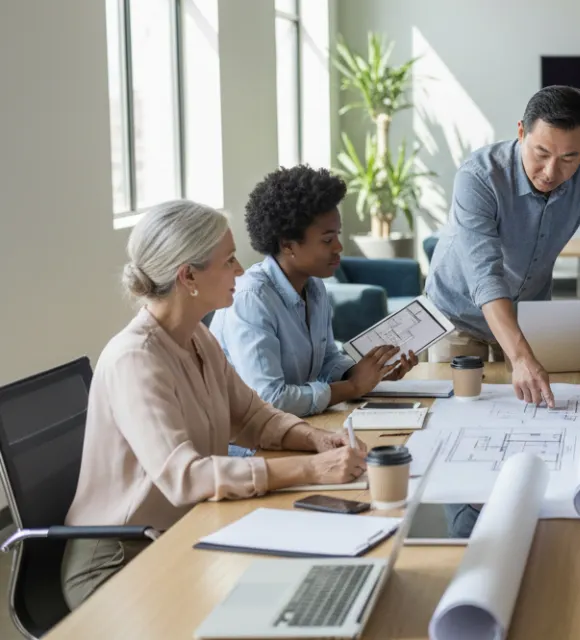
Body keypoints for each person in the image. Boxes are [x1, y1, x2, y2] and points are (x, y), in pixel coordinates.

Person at [62, 201, 367, 609]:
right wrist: (310, 469)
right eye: (228, 260)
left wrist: (314, 439)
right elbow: (185, 477)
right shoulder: (135, 359)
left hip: (181, 530)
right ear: (188, 276)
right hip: (119, 557)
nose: (240, 270)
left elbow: (253, 416)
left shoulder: (197, 337)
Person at [425, 85, 580, 406]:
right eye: (541, 153)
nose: (551, 172)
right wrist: (520, 358)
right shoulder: (479, 176)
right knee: (459, 411)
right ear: (521, 132)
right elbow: (484, 276)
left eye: (569, 157)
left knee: (534, 412)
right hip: (457, 315)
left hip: (528, 316)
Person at [211, 166, 416, 417]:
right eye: (327, 240)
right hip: (248, 436)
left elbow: (327, 360)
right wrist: (352, 387)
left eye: (337, 235)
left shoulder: (314, 287)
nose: (339, 247)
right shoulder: (252, 299)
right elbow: (270, 399)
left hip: (297, 424)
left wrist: (371, 373)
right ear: (288, 245)